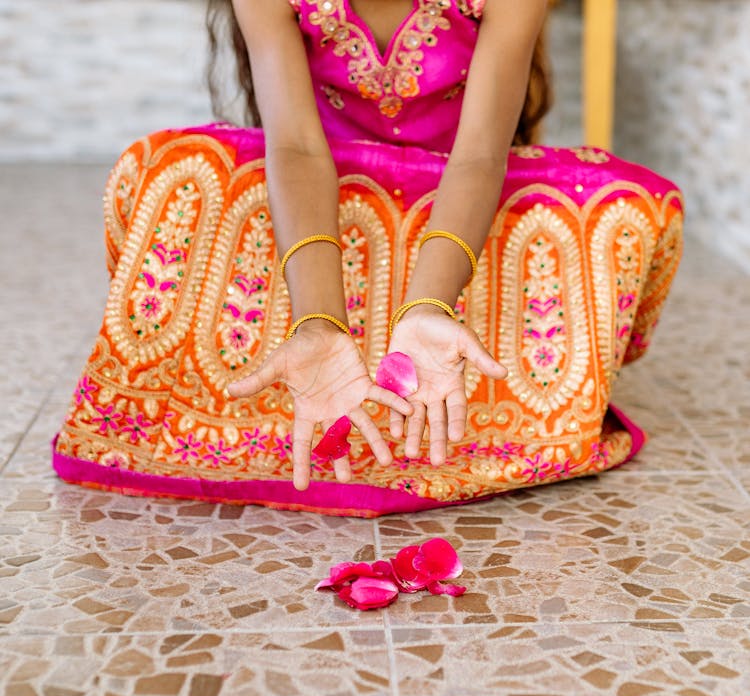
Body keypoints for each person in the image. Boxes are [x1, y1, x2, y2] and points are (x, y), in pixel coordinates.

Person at [53, 0, 683, 517]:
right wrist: (319, 321)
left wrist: (432, 303)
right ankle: (311, 370)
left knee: (628, 207)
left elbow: (479, 158)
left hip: (459, 199)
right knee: (165, 168)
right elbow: (296, 148)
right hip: (321, 201)